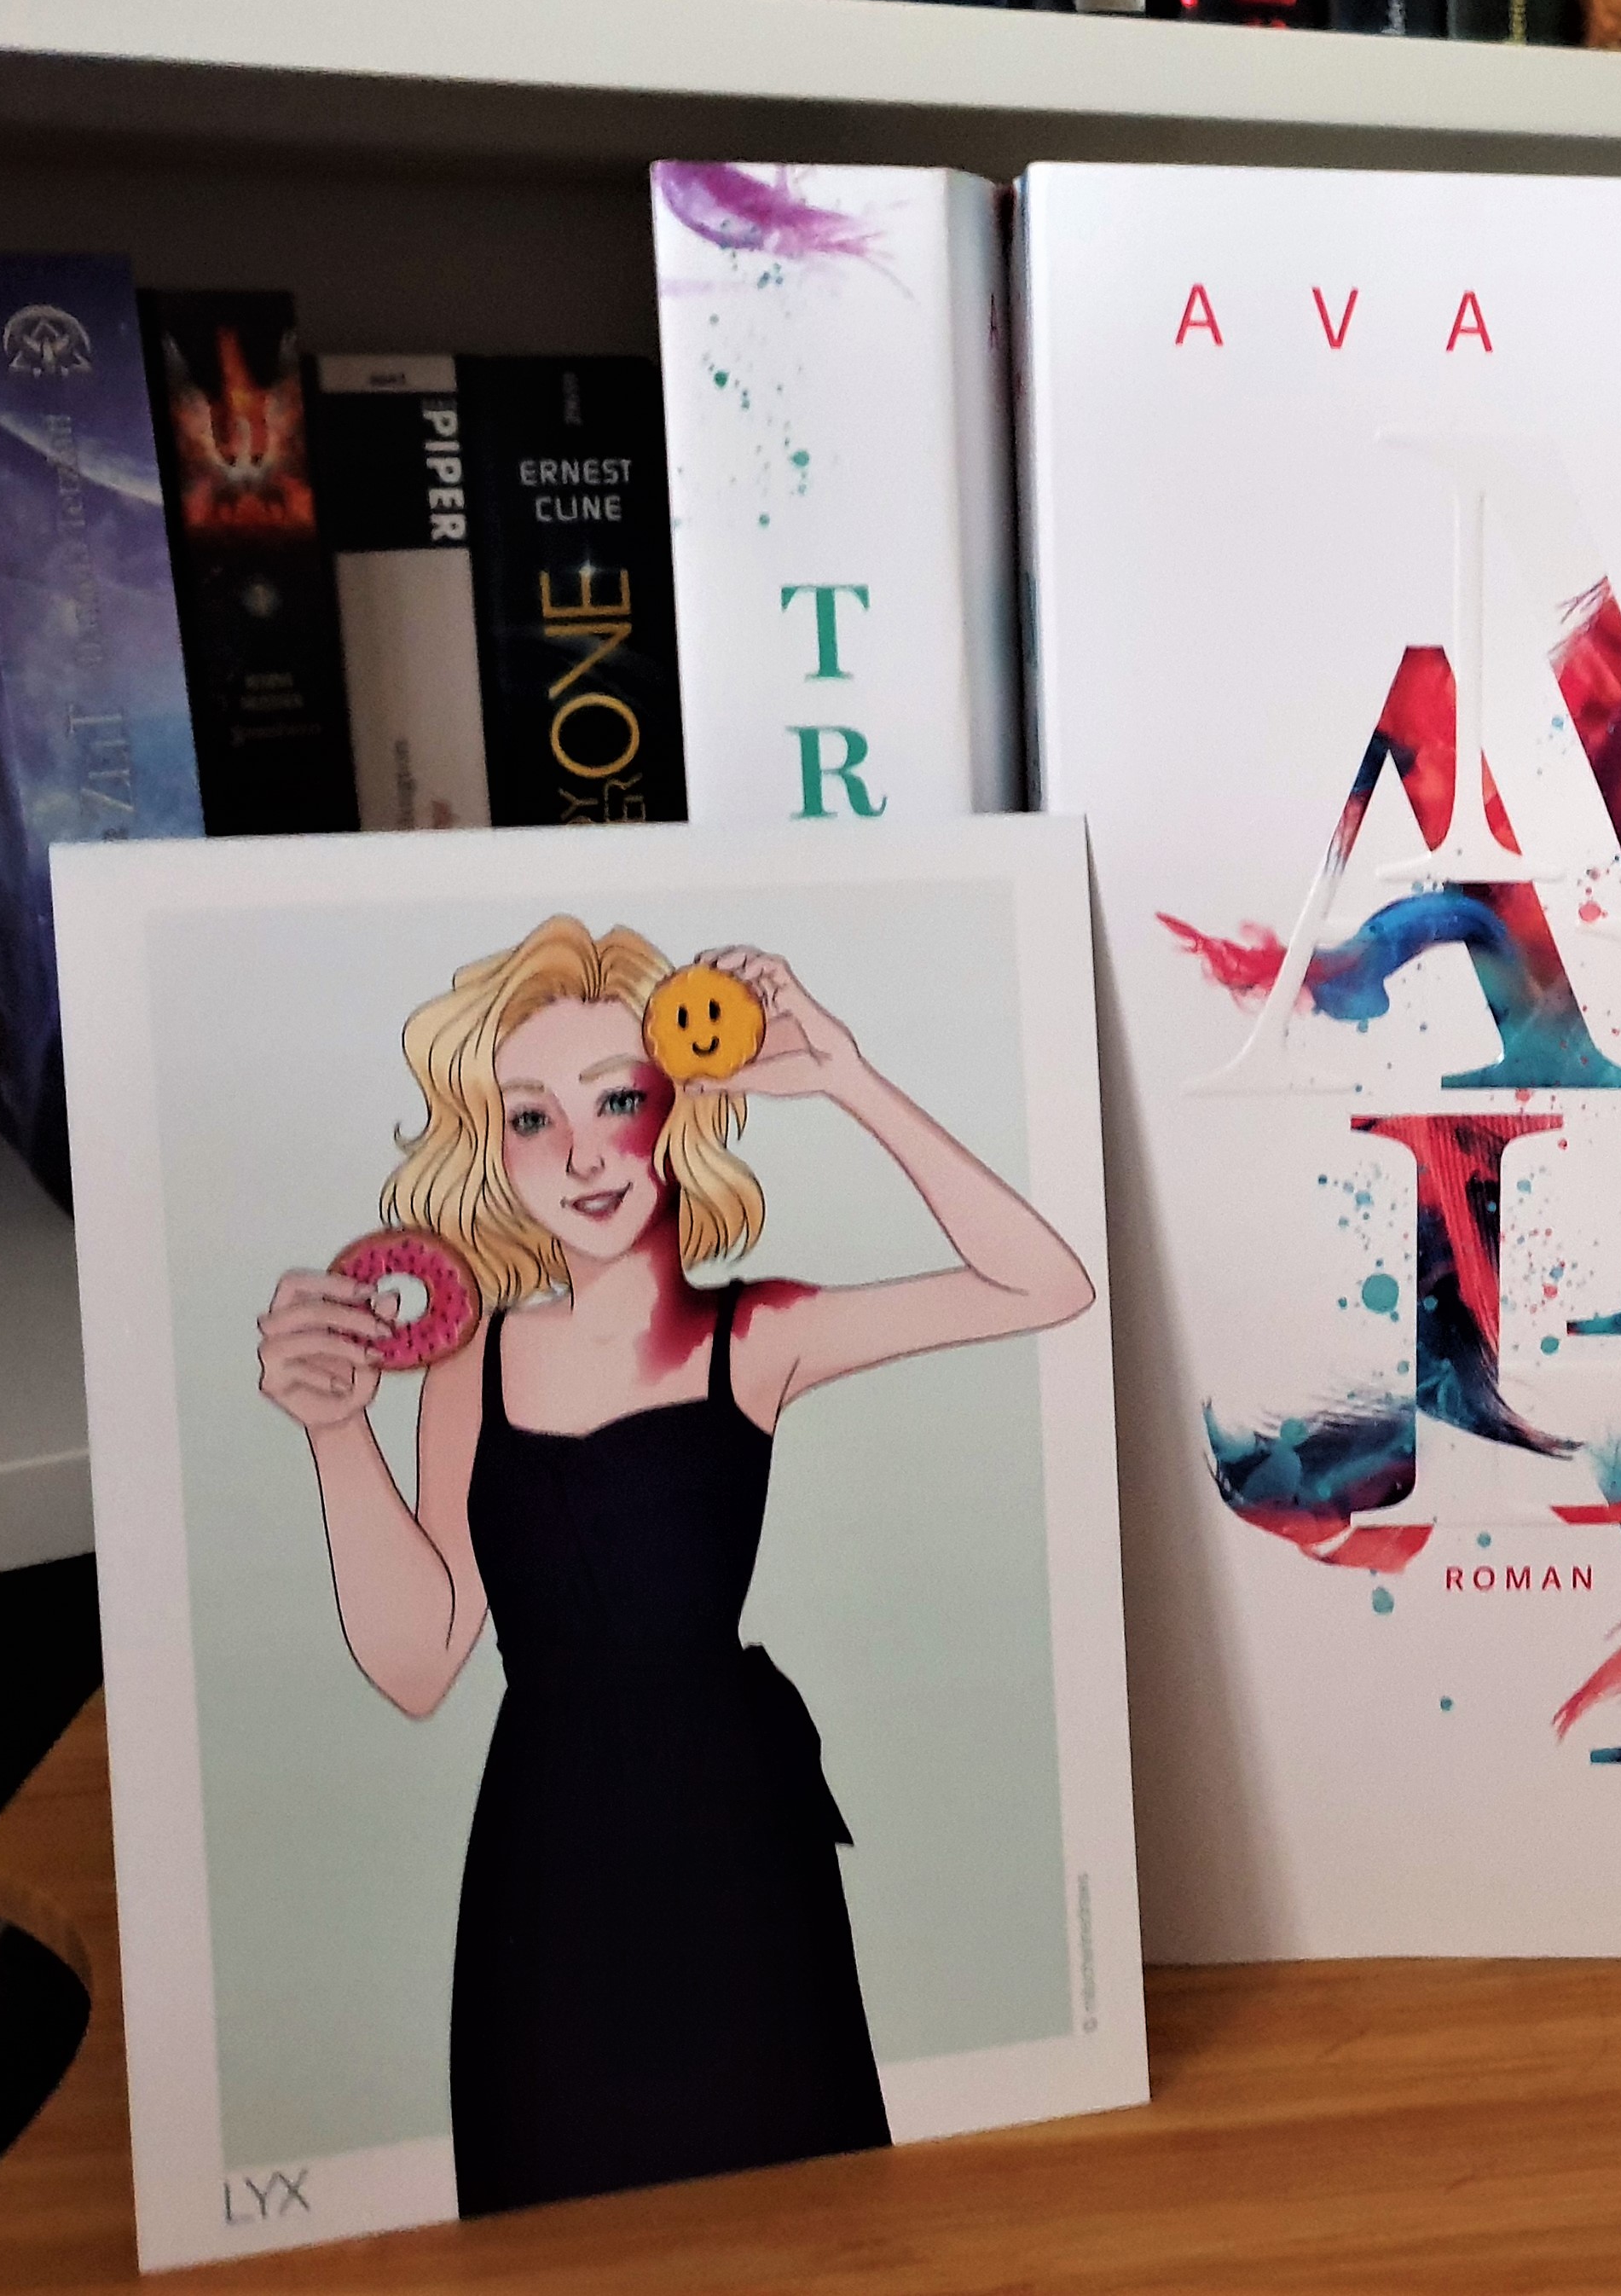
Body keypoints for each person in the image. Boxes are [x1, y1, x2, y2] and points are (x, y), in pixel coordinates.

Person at [252, 918, 1095, 2212]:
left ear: (681, 1107)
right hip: (546, 1859)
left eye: (618, 1099)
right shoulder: (469, 1362)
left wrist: (848, 1076)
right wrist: (333, 1432)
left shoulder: (758, 1333)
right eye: (531, 1118)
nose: (582, 1152)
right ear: (492, 1147)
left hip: (737, 1840)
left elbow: (1045, 1285)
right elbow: (419, 1662)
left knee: (796, 2206)